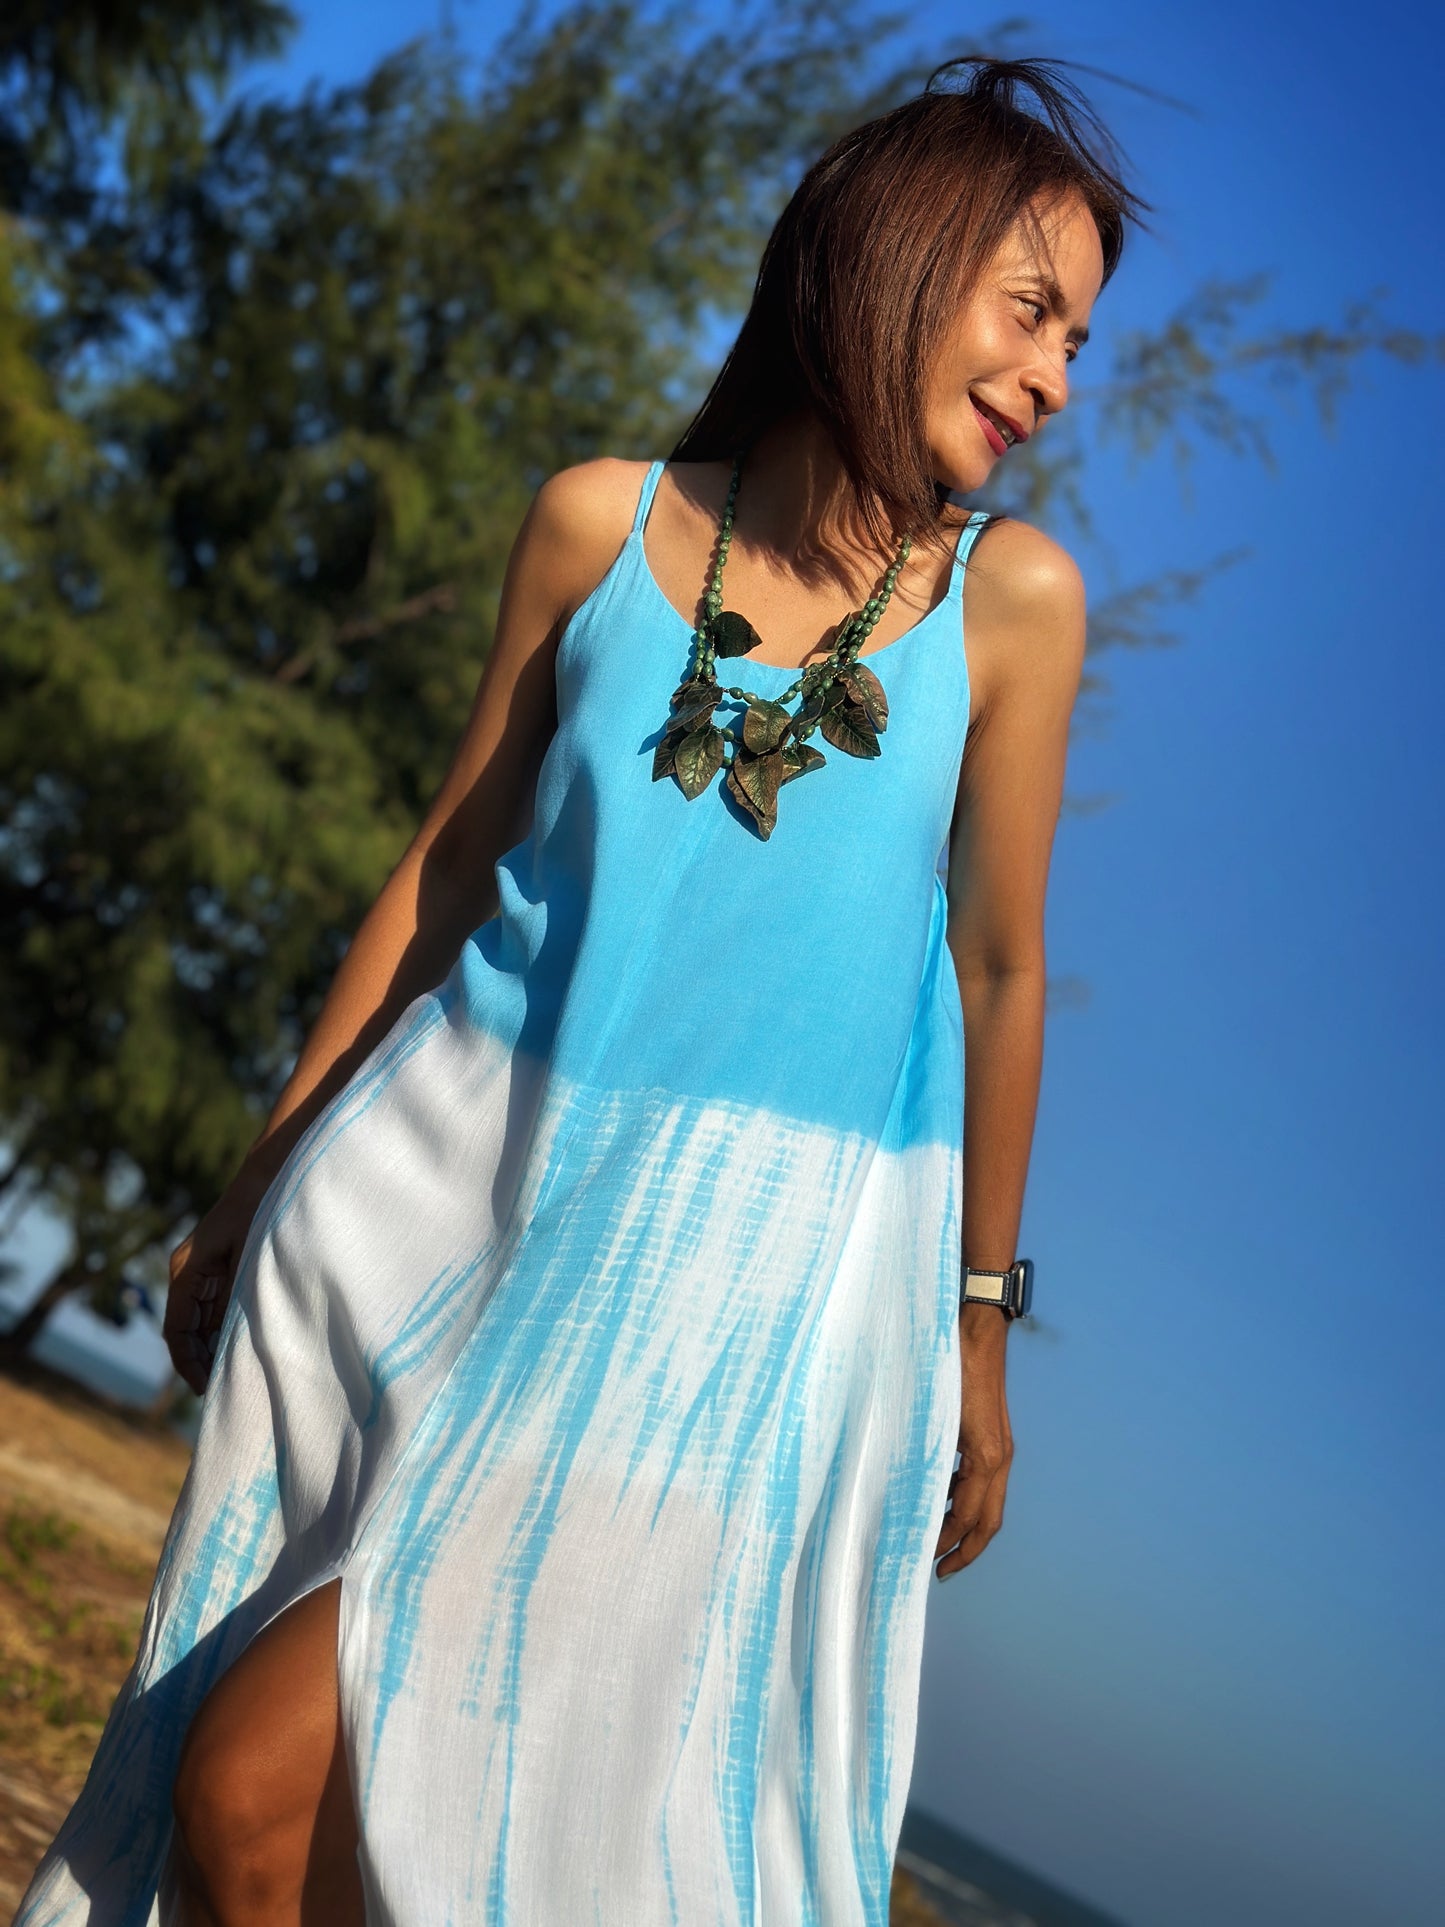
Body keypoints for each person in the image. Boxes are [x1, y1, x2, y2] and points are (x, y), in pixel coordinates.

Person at [16, 54, 1142, 1927]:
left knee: (363, 1797)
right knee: (300, 1816)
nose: (1050, 380)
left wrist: (974, 1334)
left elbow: (1001, 967)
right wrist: (259, 1175)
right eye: (1031, 312)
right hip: (463, 1208)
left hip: (739, 1308)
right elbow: (449, 874)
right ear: (889, 258)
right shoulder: (598, 524)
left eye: (1080, 345)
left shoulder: (1010, 606)